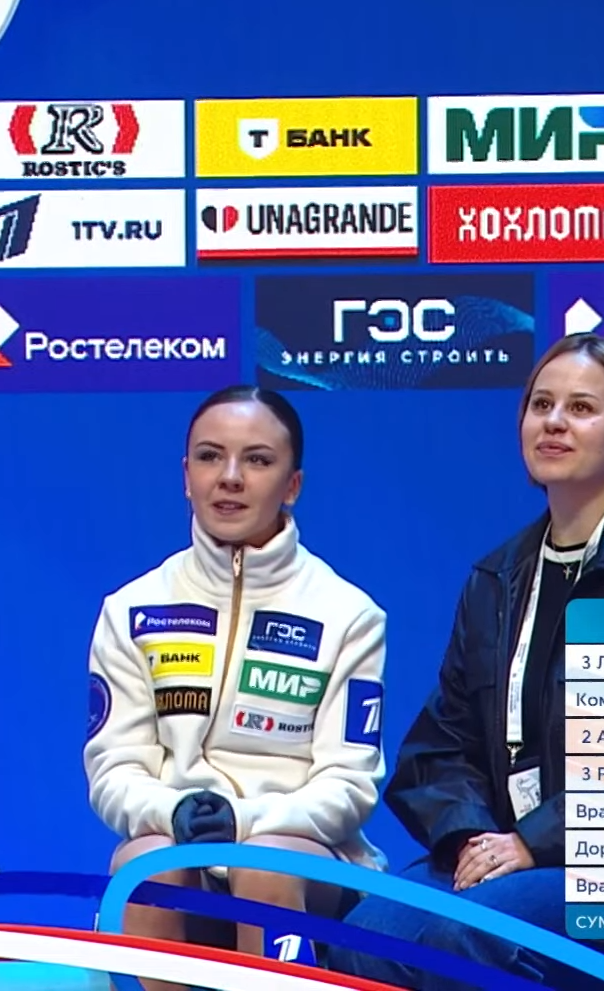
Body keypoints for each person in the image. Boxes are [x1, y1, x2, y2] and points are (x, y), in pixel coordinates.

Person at [323, 335, 604, 991]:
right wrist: (475, 838)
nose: (555, 422)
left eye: (582, 408)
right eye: (541, 405)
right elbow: (438, 748)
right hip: (512, 851)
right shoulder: (497, 577)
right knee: (368, 932)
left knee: (469, 934)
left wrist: (534, 842)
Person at [85, 386, 387, 991]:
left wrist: (241, 822)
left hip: (302, 859)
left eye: (257, 460)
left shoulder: (348, 614)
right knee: (147, 865)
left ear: (292, 485)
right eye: (209, 456)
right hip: (178, 844)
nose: (229, 477)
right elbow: (114, 768)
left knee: (263, 865)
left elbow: (349, 784)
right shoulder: (132, 609)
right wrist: (174, 813)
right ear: (185, 476)